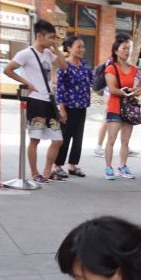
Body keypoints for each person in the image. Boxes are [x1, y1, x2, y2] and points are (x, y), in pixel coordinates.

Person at [4, 19, 67, 184]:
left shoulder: (48, 53)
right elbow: (8, 69)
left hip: (49, 101)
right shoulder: (26, 53)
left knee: (58, 139)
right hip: (36, 101)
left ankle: (47, 171)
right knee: (35, 138)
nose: (53, 40)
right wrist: (26, 83)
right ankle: (34, 173)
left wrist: (55, 48)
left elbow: (64, 66)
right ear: (39, 36)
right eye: (50, 37)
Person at [53, 35, 94, 179]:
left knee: (78, 137)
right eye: (79, 46)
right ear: (69, 48)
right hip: (68, 106)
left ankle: (72, 165)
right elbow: (59, 88)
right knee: (64, 137)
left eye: (83, 46)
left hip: (82, 106)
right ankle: (57, 166)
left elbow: (92, 82)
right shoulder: (64, 65)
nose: (82, 49)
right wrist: (61, 109)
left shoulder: (84, 65)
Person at [102, 34, 139, 181]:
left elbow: (137, 86)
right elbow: (112, 89)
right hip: (115, 107)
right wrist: (126, 93)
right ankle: (108, 167)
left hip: (129, 108)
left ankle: (122, 166)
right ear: (116, 51)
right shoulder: (111, 68)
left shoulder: (134, 69)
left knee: (125, 140)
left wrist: (137, 90)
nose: (127, 51)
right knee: (111, 138)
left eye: (128, 48)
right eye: (124, 48)